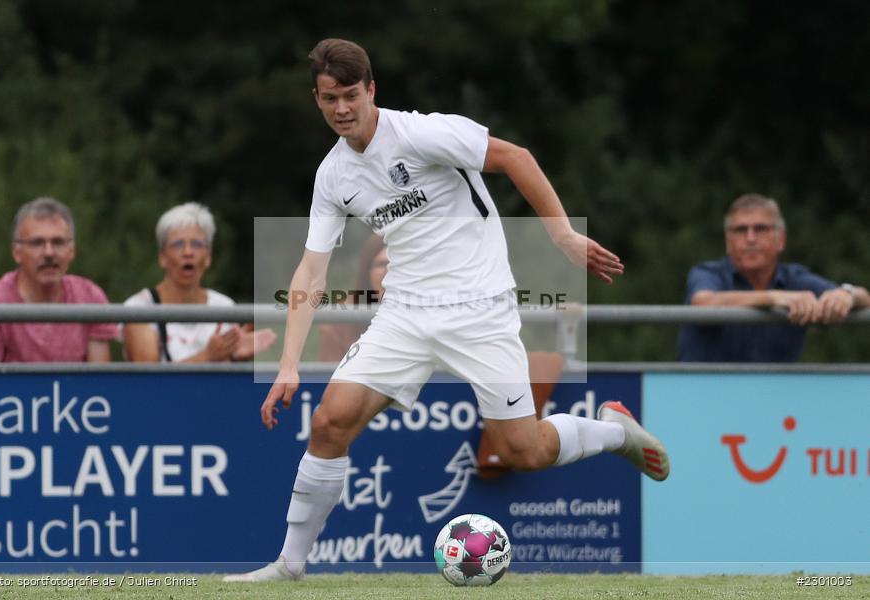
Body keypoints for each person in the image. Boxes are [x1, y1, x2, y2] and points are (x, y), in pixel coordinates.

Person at [224, 38, 669, 583]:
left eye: (349, 96)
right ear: (315, 99)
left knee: (521, 451)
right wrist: (289, 363)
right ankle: (289, 565)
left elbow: (515, 158)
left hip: (480, 309)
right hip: (405, 313)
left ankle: (615, 432)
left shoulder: (423, 132)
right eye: (327, 98)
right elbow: (311, 272)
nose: (340, 109)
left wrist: (562, 236)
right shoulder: (333, 176)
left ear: (371, 90)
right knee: (329, 421)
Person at [678, 193, 870, 362]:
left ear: (781, 239)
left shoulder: (794, 278)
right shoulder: (708, 273)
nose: (750, 238)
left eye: (760, 229)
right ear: (728, 241)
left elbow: (864, 299)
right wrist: (773, 298)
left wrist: (847, 293)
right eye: (740, 230)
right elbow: (703, 302)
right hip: (705, 396)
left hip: (775, 399)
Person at [123, 202, 276, 362]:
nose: (188, 252)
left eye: (197, 244)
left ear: (208, 257)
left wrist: (233, 356)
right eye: (178, 244)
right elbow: (149, 383)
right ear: (162, 257)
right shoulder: (138, 308)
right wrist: (206, 357)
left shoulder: (224, 307)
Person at [0, 197, 117, 362]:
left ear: (72, 250)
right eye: (37, 243)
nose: (49, 253)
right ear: (16, 252)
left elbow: (99, 382)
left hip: (78, 389)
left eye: (58, 242)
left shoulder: (90, 297)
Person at [316, 234, 386, 361]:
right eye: (382, 264)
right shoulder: (340, 319)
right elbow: (328, 374)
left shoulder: (425, 310)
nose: (389, 271)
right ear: (367, 272)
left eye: (396, 264)